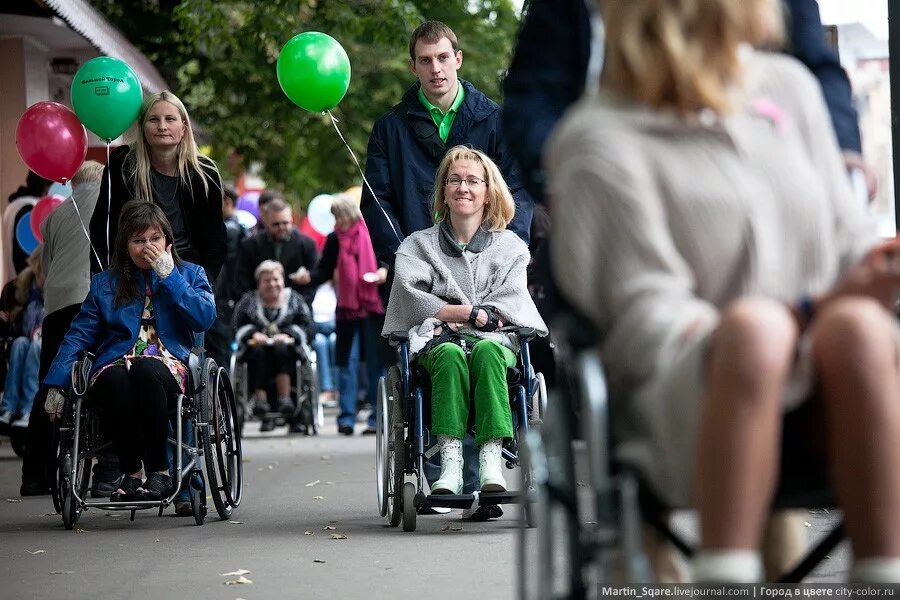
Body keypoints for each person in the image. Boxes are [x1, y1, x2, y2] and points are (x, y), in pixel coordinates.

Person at [547, 0, 899, 583]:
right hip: (684, 393)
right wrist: (795, 315)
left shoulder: (789, 90)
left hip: (826, 378)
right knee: (755, 333)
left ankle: (883, 572)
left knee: (860, 329)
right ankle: (727, 575)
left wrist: (876, 266)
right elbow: (644, 320)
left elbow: (847, 239)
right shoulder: (597, 140)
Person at [383, 146, 547, 497]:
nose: (463, 187)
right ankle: (451, 462)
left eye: (473, 181)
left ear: (488, 193)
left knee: (487, 350)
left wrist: (465, 315)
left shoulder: (511, 248)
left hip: (495, 343)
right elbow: (408, 296)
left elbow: (512, 301)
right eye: (454, 180)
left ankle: (490, 460)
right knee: (450, 356)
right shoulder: (417, 246)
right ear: (443, 190)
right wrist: (461, 313)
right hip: (439, 343)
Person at [44, 200, 215, 502]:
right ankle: (132, 473)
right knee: (114, 379)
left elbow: (204, 318)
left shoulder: (191, 274)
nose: (147, 247)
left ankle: (160, 471)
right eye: (138, 240)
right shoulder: (104, 284)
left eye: (154, 239)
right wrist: (58, 382)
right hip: (116, 363)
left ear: (167, 240)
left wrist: (170, 277)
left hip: (169, 361)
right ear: (125, 245)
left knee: (145, 370)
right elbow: (78, 335)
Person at [361, 20, 534, 272]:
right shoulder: (388, 129)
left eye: (443, 57)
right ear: (413, 67)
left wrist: (506, 255)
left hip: (486, 270)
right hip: (415, 271)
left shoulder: (498, 122)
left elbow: (519, 191)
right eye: (425, 60)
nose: (436, 69)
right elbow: (377, 202)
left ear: (458, 59)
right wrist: (403, 259)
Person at [20, 161, 104, 497]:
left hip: (57, 305)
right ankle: (105, 468)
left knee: (49, 384)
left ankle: (34, 474)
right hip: (92, 298)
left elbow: (47, 267)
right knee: (100, 376)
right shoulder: (107, 200)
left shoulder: (55, 215)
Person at [89, 91, 226, 282]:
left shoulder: (204, 172)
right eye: (154, 119)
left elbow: (215, 237)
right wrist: (103, 277)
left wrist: (205, 281)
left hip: (187, 274)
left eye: (170, 119)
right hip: (133, 273)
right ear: (142, 127)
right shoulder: (123, 163)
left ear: (184, 127)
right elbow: (101, 226)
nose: (162, 126)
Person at [309, 195, 386, 435]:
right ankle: (346, 417)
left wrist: (383, 273)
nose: (337, 221)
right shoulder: (334, 239)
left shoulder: (372, 234)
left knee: (376, 365)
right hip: (347, 311)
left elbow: (387, 262)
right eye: (334, 216)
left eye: (339, 215)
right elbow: (323, 270)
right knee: (347, 364)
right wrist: (307, 278)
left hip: (373, 309)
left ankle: (377, 418)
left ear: (350, 214)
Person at [232, 260, 313, 433]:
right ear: (259, 283)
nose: (272, 284)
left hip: (288, 351)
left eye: (276, 279)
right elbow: (237, 325)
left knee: (281, 350)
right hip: (256, 351)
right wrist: (253, 333)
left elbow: (307, 325)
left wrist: (289, 334)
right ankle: (260, 400)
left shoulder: (294, 299)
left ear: (283, 280)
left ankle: (285, 399)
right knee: (258, 352)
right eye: (266, 280)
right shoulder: (249, 300)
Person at [236, 198, 318, 306]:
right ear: (265, 221)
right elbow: (241, 280)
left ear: (291, 220)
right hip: (258, 308)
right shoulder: (250, 245)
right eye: (276, 224)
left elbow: (313, 280)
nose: (281, 228)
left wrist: (296, 306)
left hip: (297, 310)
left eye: (285, 223)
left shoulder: (307, 244)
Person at [0, 247, 44, 430]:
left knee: (35, 347)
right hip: (25, 338)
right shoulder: (24, 287)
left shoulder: (58, 289)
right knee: (20, 344)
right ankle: (8, 407)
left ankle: (28, 407)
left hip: (46, 342)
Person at [206, 187, 247, 369]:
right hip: (227, 298)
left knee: (218, 349)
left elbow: (221, 268)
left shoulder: (227, 230)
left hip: (222, 298)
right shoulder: (239, 228)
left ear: (227, 202)